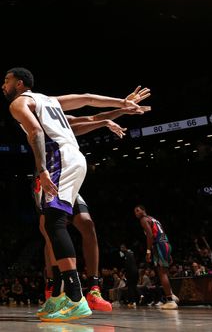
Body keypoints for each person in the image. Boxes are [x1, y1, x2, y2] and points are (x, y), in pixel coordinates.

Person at [2, 67, 142, 322]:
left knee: (54, 223)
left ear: (19, 84)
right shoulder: (49, 102)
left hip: (59, 160)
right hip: (73, 158)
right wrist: (122, 104)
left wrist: (42, 170)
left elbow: (35, 132)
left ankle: (76, 298)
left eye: (6, 81)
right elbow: (88, 98)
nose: (3, 85)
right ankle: (59, 294)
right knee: (50, 224)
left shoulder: (19, 103)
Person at [36, 86, 152, 314]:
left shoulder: (60, 119)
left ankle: (94, 288)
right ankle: (54, 289)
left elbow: (93, 116)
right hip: (48, 175)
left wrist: (122, 109)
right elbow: (90, 112)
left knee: (87, 224)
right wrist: (112, 115)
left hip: (66, 175)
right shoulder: (38, 119)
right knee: (49, 229)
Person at [134, 205, 178, 309]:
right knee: (165, 273)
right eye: (135, 212)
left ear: (144, 210)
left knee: (161, 273)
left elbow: (149, 235)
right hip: (166, 244)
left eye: (137, 210)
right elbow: (162, 233)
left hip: (158, 245)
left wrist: (148, 251)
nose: (136, 213)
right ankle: (172, 295)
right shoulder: (154, 219)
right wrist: (168, 252)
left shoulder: (144, 219)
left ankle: (170, 300)